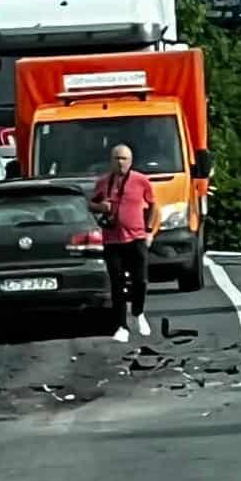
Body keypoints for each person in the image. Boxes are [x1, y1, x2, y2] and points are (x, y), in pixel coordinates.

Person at [90, 144, 156, 343]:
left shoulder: (141, 181)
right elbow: (90, 204)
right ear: (111, 161)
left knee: (140, 281)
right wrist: (100, 206)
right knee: (117, 285)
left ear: (131, 161)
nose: (120, 163)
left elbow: (153, 204)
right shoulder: (103, 182)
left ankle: (138, 313)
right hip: (112, 240)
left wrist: (149, 230)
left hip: (136, 238)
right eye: (117, 158)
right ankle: (121, 325)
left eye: (124, 159)